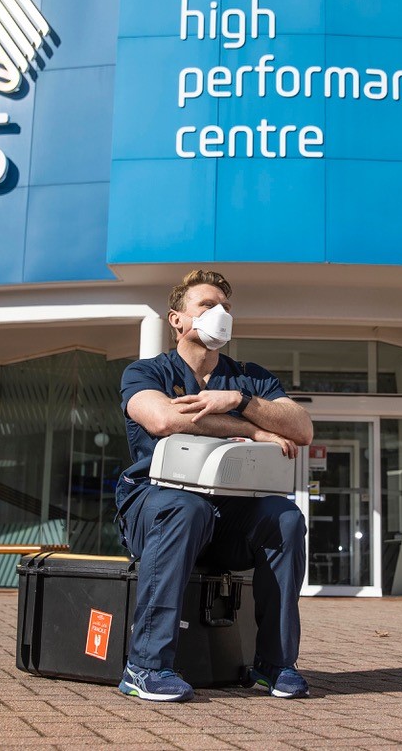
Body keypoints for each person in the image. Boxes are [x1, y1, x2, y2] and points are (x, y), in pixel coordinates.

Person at [115, 269, 314, 703]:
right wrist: (251, 429)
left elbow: (302, 429)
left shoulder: (249, 379)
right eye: (207, 305)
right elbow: (163, 419)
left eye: (226, 307)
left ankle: (275, 664)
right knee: (187, 507)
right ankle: (145, 667)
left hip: (229, 517)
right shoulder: (145, 372)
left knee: (284, 517)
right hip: (158, 509)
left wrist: (240, 401)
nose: (220, 313)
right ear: (177, 319)